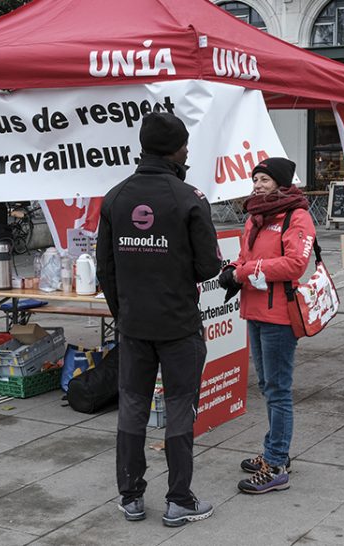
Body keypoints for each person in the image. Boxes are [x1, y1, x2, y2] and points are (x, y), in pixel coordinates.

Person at [96, 112, 220, 527]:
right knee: (180, 409)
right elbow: (208, 267)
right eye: (185, 145)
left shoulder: (115, 197)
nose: (187, 151)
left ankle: (131, 496)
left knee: (132, 407)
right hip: (179, 325)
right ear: (176, 150)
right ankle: (179, 500)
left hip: (134, 325)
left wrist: (124, 312)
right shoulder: (189, 198)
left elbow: (105, 269)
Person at [218, 157, 315, 494]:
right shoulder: (255, 216)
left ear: (281, 183)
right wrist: (231, 268)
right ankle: (276, 451)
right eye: (255, 179)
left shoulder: (296, 215)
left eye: (265, 180)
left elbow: (295, 264)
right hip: (254, 311)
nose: (257, 185)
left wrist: (244, 272)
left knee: (278, 390)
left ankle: (275, 465)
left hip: (279, 317)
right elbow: (245, 257)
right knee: (267, 386)